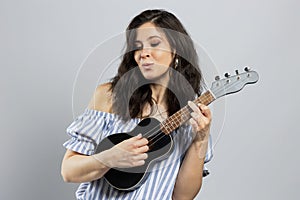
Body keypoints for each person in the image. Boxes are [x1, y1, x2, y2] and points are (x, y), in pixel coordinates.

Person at [61, 9, 213, 200]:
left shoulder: (191, 114)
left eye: (154, 44)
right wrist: (110, 157)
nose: (143, 53)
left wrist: (201, 138)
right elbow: (69, 171)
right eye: (137, 47)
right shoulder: (109, 96)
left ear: (176, 51)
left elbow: (182, 196)